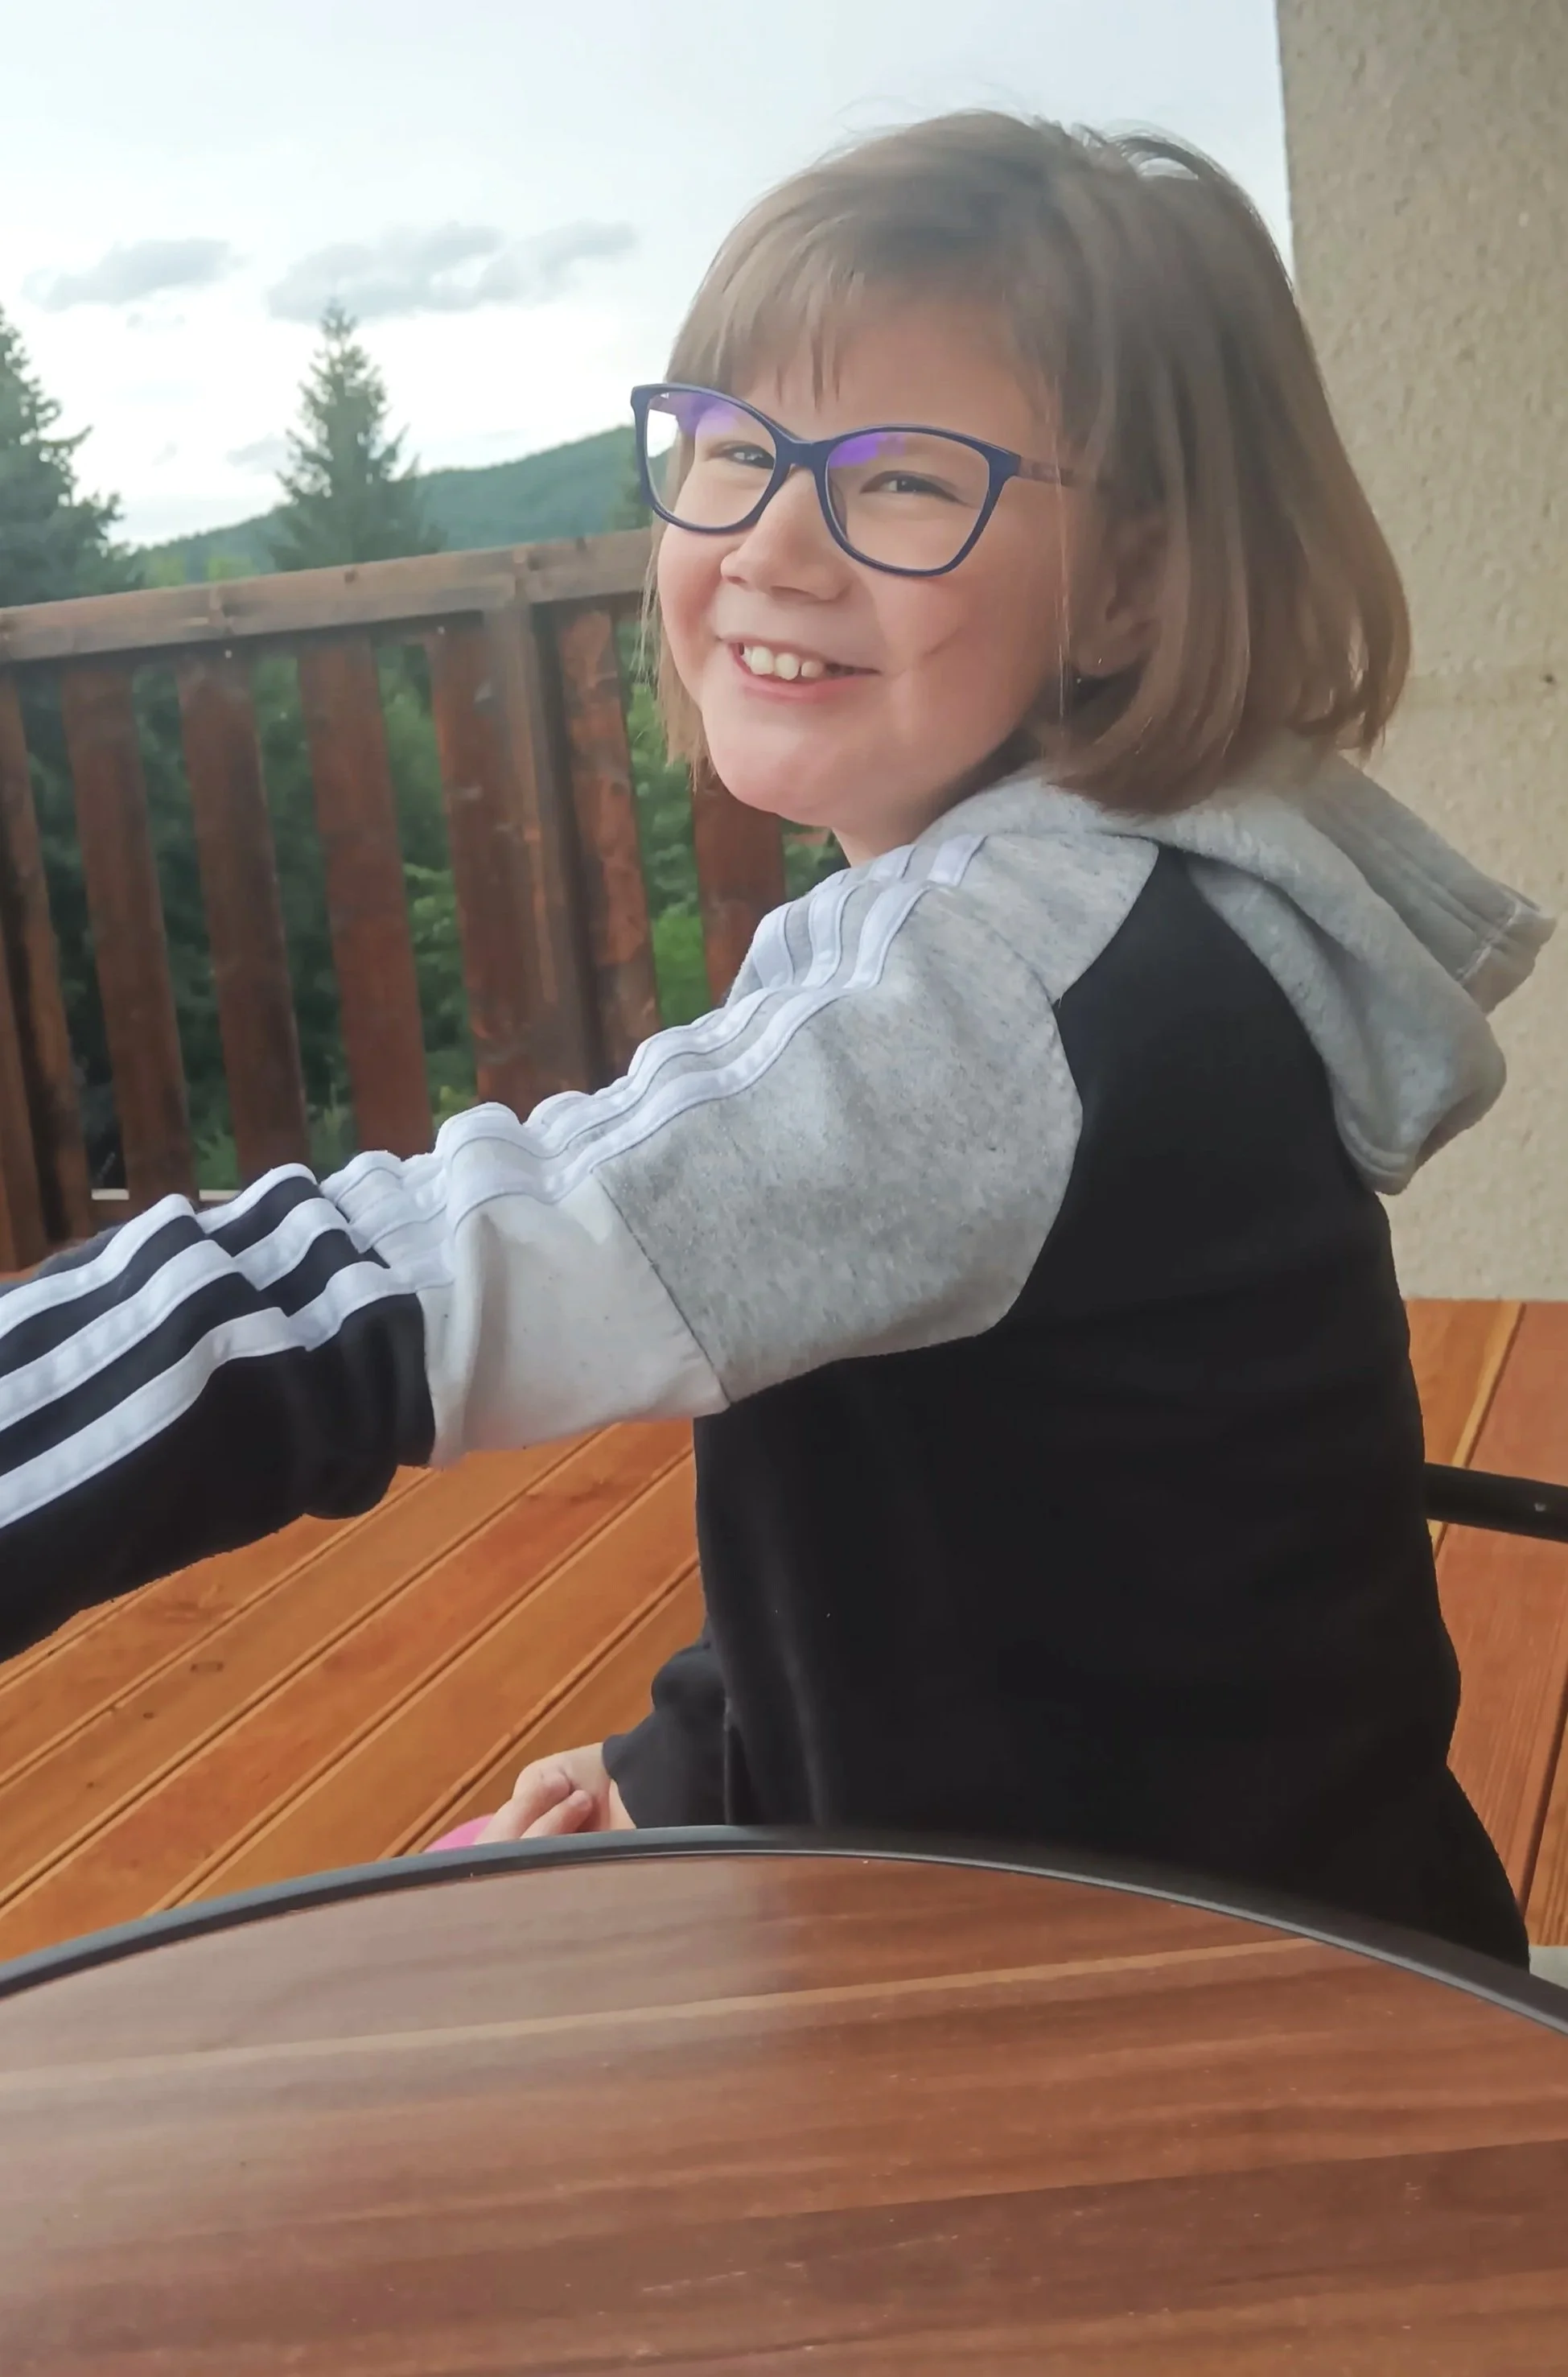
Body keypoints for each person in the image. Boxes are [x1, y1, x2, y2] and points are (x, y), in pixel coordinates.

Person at [0, 114, 1552, 1960]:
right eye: (731, 453)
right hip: (1221, 1915)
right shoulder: (1089, 903)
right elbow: (971, 1517)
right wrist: (688, 1757)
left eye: (902, 481)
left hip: (1179, 2027)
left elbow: (424, 1274)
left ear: (1133, 582)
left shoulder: (1000, 990)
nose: (768, 543)